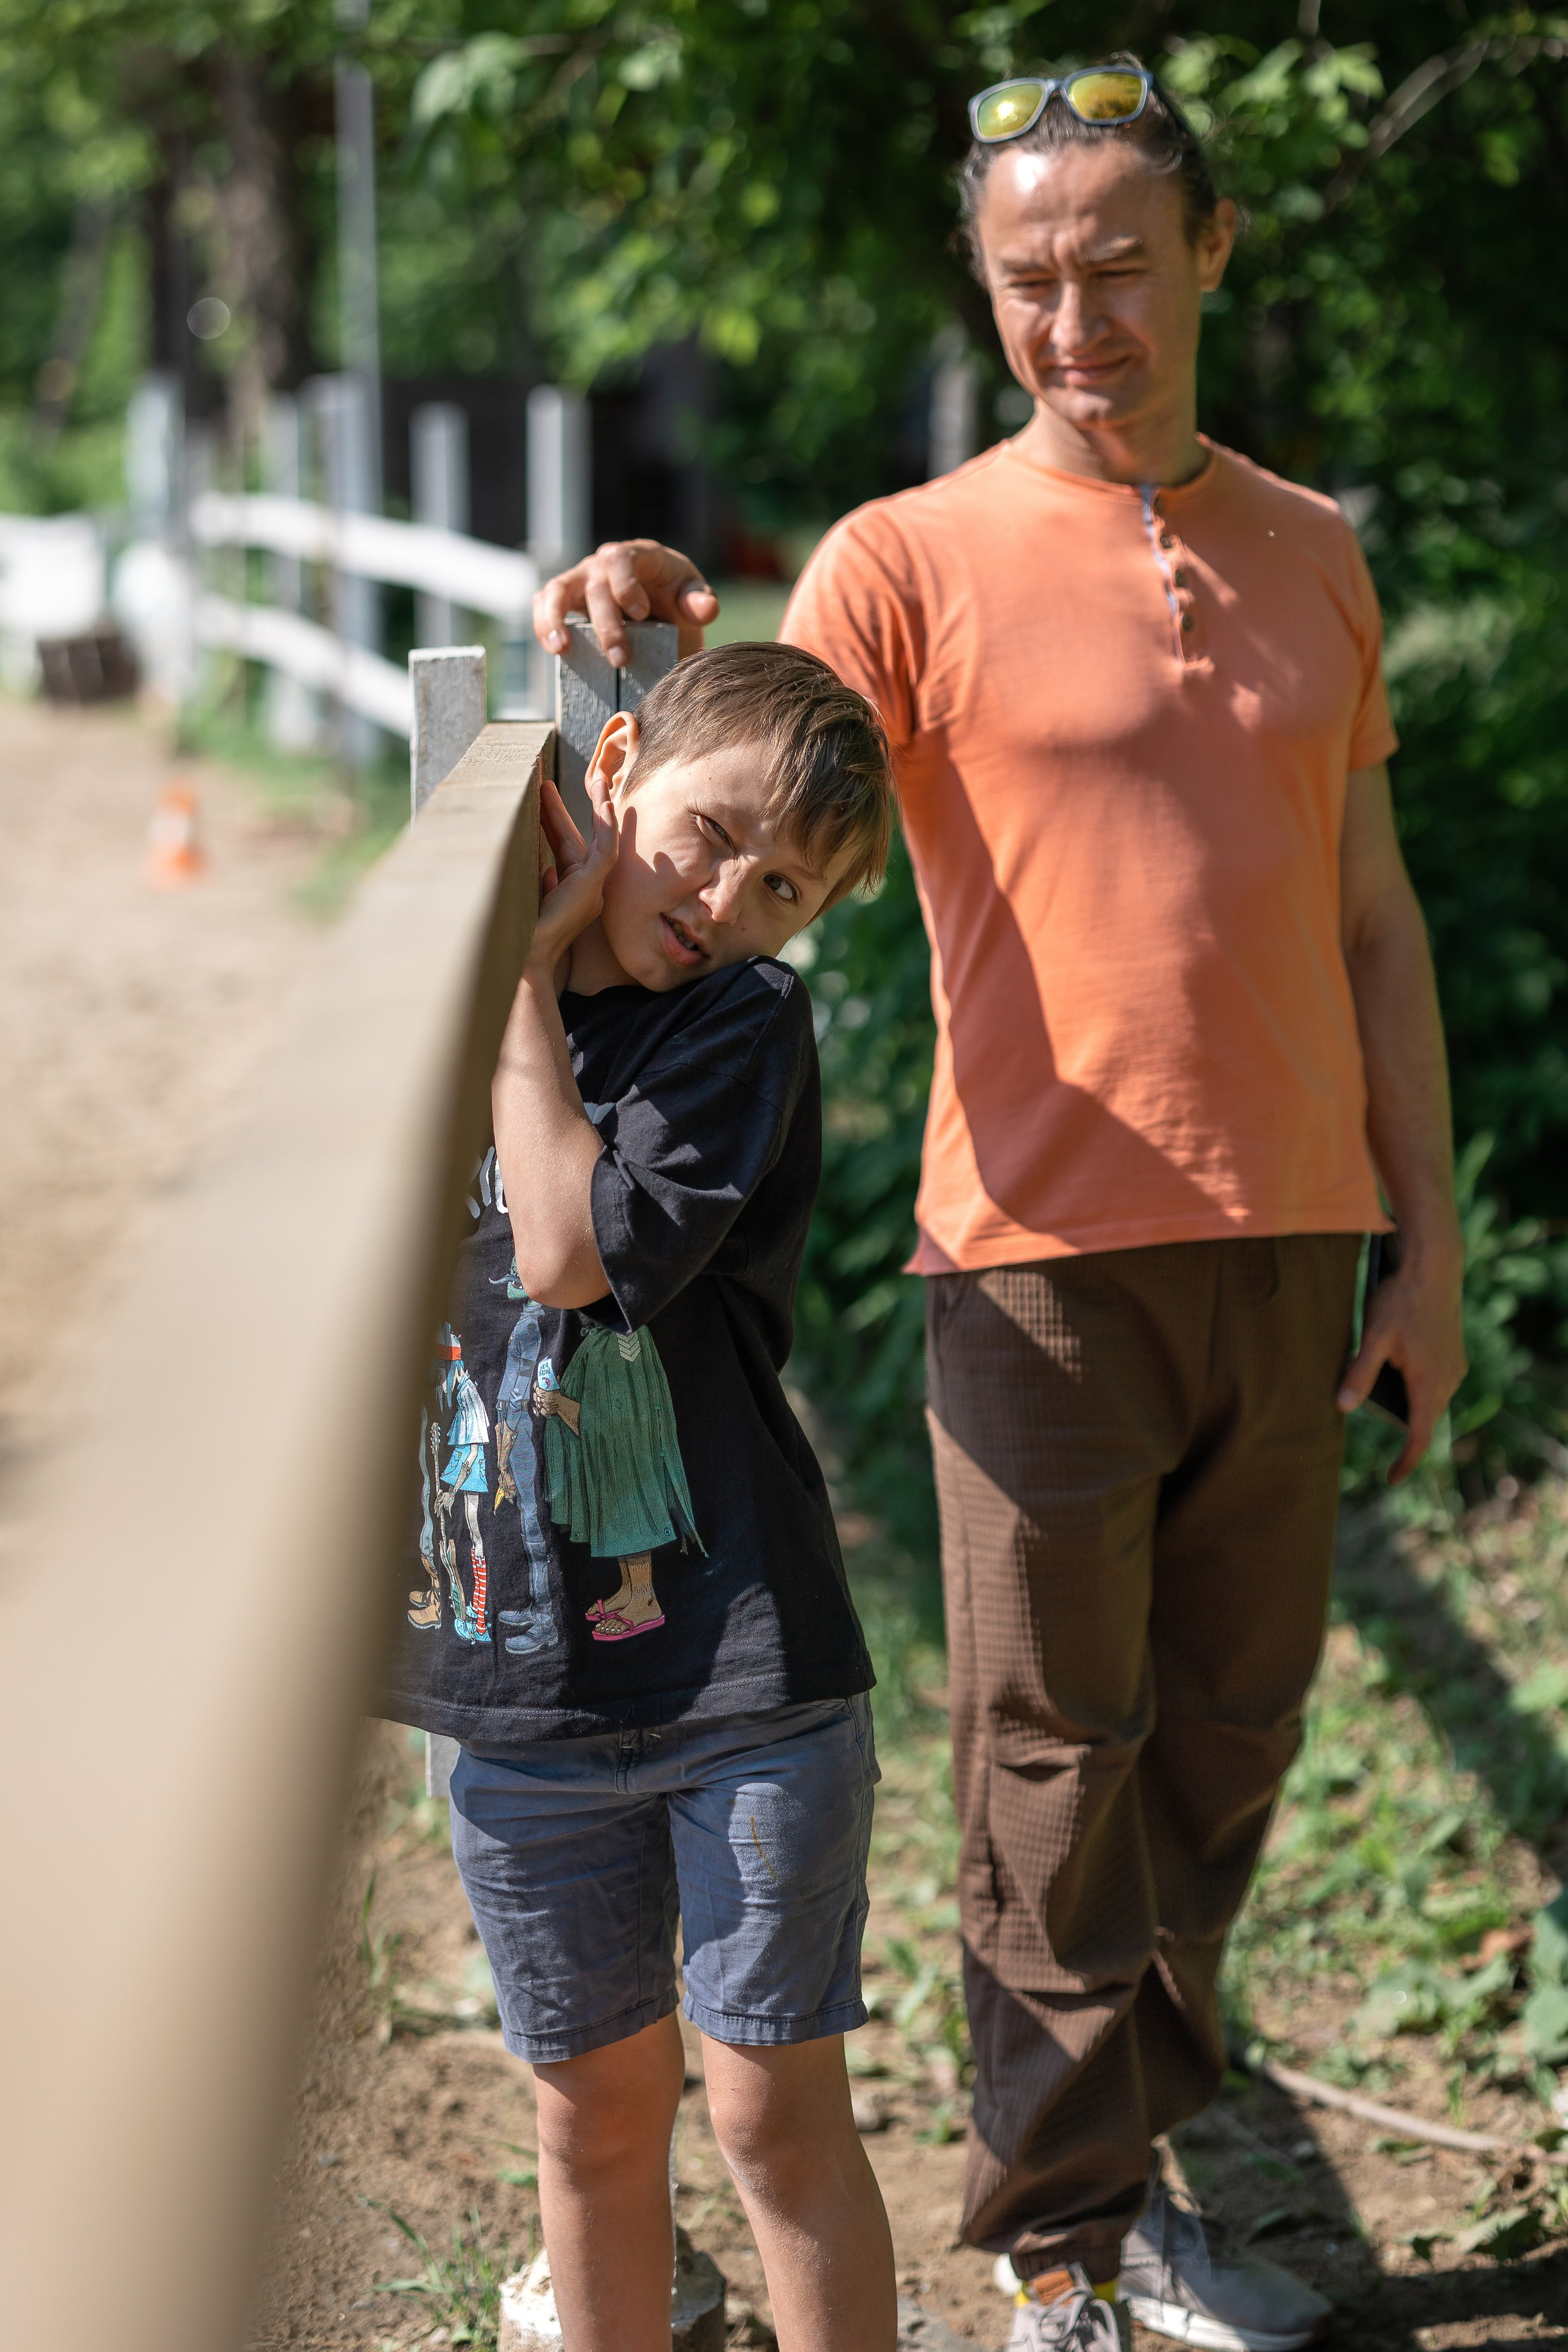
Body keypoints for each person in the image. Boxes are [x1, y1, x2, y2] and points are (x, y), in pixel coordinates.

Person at [532, 53, 1468, 2352]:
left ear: (1209, 254)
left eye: (1120, 269)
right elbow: (746, 760)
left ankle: (1134, 2160)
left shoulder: (1314, 550)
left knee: (1234, 1733)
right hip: (1033, 1258)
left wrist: (1424, 1244)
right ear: (990, 283)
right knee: (1052, 1762)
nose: (1078, 322)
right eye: (1032, 280)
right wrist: (650, 620)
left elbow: (1374, 923)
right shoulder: (908, 558)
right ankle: (1064, 2244)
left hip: (1294, 1236)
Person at [377, 643, 900, 2352]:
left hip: (743, 1673)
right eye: (703, 836)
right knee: (591, 2126)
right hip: (520, 1688)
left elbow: (569, 1253)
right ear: (615, 770)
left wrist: (524, 980)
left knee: (768, 2117)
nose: (724, 898)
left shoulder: (741, 1023)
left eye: (783, 889)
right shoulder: (431, 995)